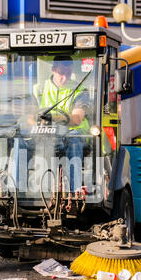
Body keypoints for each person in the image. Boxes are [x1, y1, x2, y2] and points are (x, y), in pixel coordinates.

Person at [32, 56, 91, 192]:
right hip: (44, 134)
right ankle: (12, 189)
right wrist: (36, 122)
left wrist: (51, 117)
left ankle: (74, 191)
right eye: (61, 73)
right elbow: (29, 115)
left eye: (68, 74)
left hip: (72, 134)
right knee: (19, 140)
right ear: (53, 69)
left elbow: (77, 118)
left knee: (74, 138)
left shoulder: (79, 90)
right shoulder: (38, 89)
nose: (65, 77)